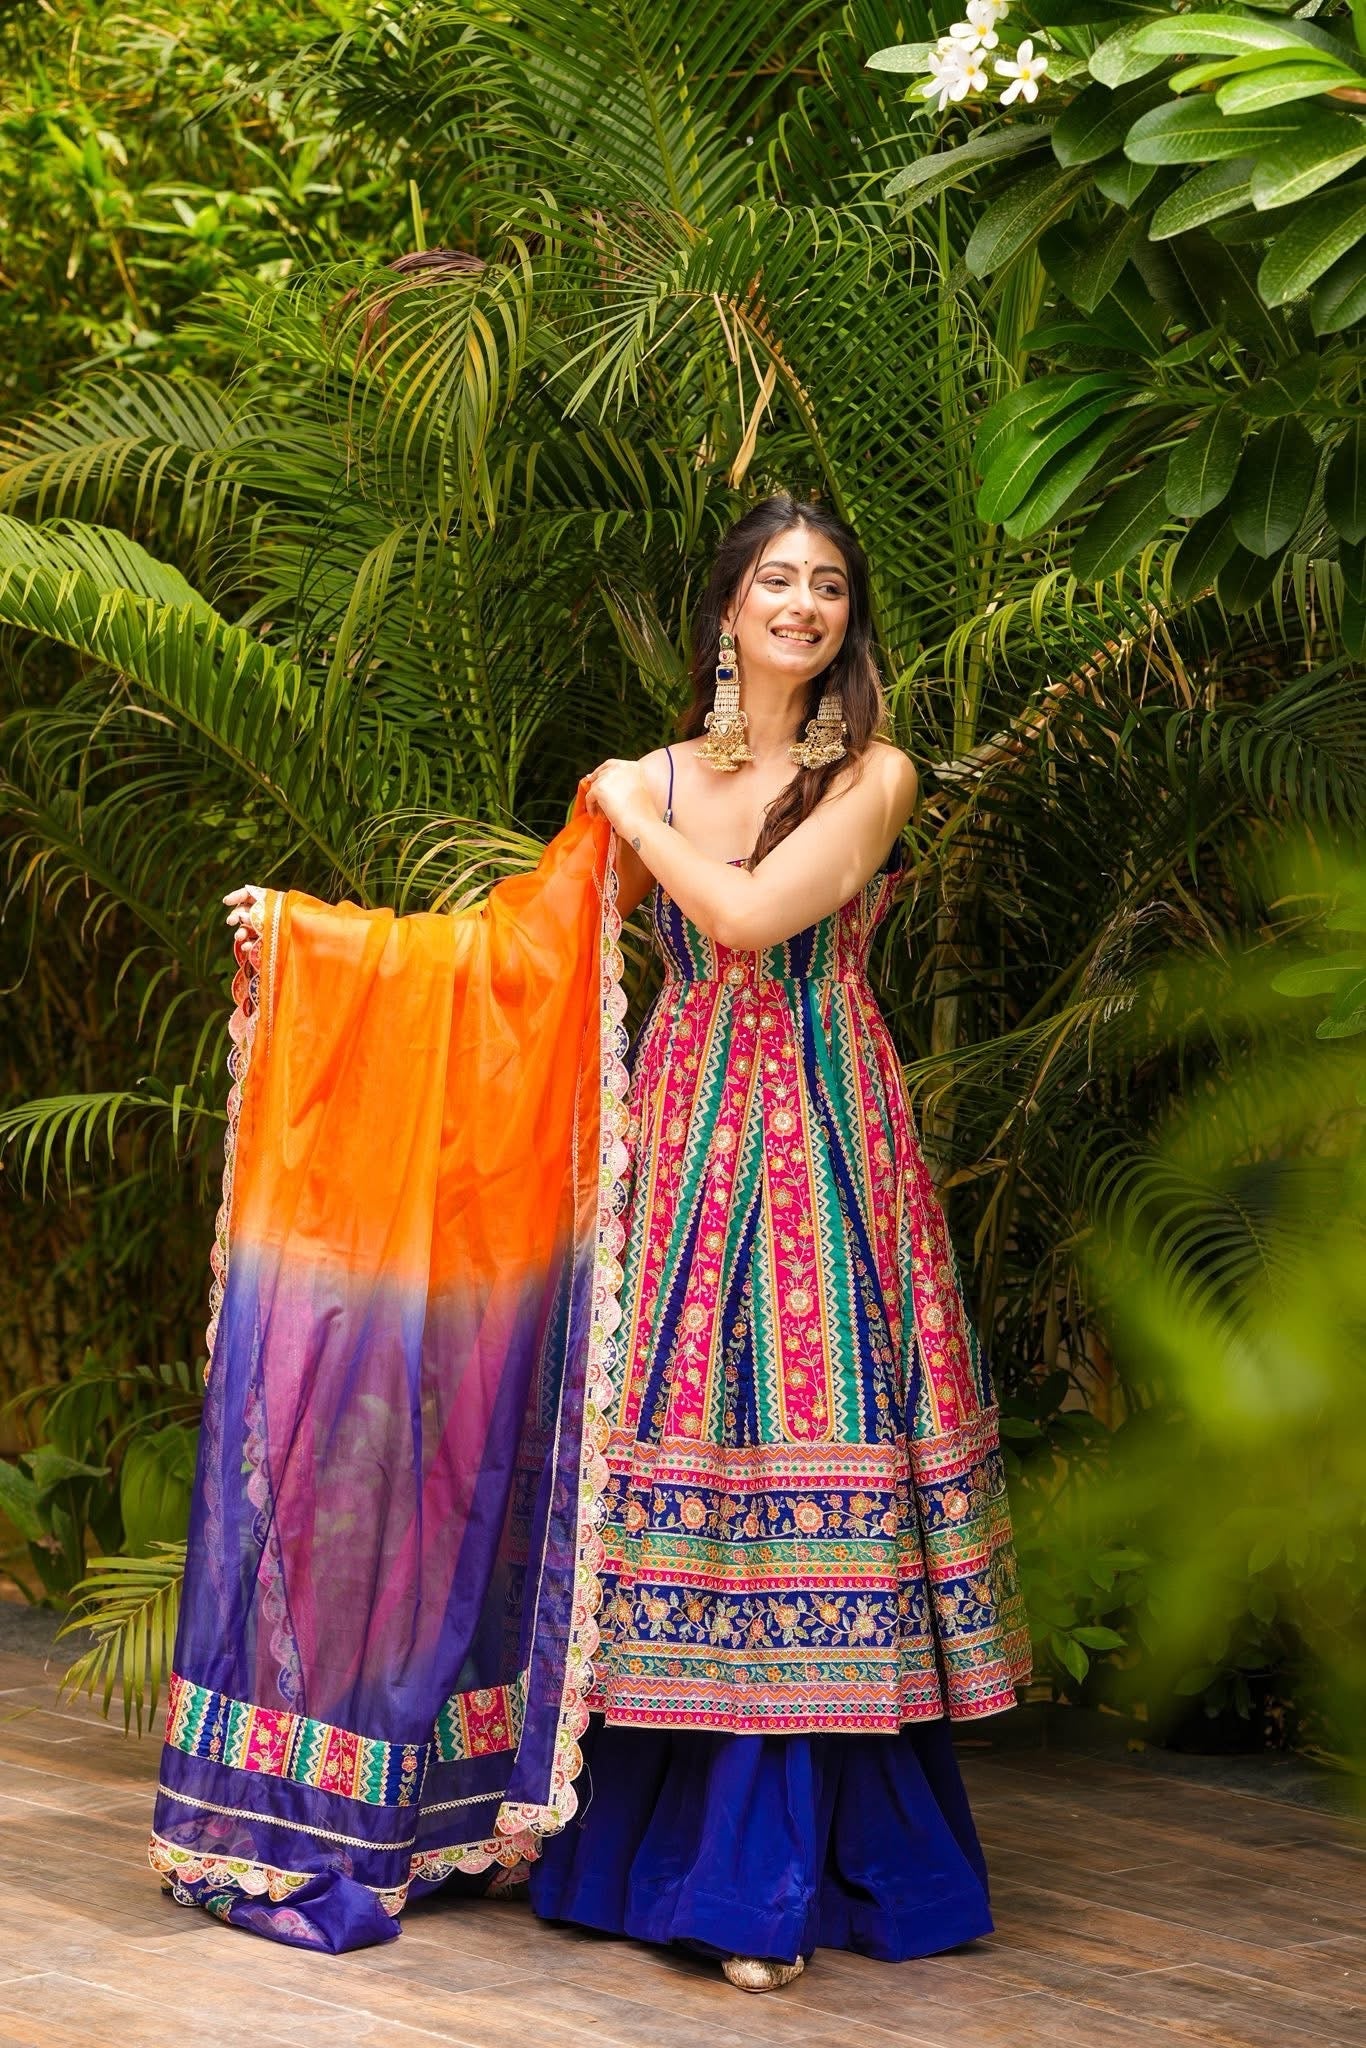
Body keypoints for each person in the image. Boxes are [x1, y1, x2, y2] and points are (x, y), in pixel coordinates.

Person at [216, 492, 1029, 1989]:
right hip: (679, 1151)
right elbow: (512, 954)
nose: (802, 604)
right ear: (727, 609)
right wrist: (314, 946)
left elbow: (750, 917)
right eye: (775, 579)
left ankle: (769, 1883)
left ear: (848, 617)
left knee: (804, 1455)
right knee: (677, 1486)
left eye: (828, 584)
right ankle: (657, 1848)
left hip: (825, 1146)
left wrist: (633, 817)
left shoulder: (872, 773)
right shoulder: (655, 774)